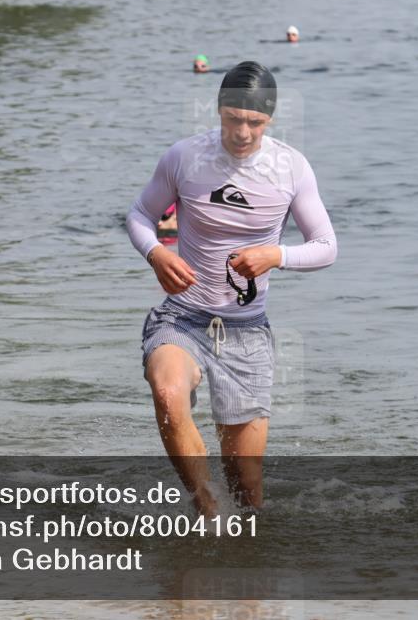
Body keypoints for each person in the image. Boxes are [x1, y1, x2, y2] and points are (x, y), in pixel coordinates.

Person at [126, 61, 337, 516]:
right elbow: (139, 215)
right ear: (219, 111)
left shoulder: (291, 169)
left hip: (246, 331)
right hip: (182, 317)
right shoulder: (184, 157)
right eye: (233, 119)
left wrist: (275, 255)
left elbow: (326, 247)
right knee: (166, 390)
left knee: (248, 489)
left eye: (255, 122)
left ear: (270, 120)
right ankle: (204, 505)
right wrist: (156, 254)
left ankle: (245, 571)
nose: (243, 132)